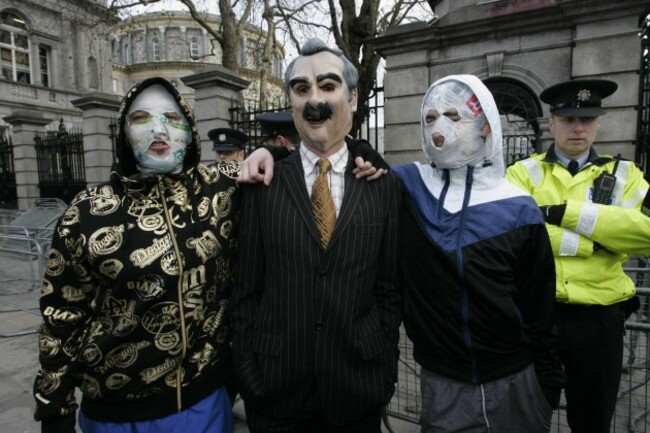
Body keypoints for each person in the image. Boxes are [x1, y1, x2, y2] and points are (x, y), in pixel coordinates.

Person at [32, 76, 386, 433]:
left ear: (189, 129)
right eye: (141, 119)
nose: (159, 130)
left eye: (172, 119)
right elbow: (62, 315)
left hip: (204, 404)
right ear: (123, 131)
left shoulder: (225, 186)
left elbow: (307, 161)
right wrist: (54, 406)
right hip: (114, 412)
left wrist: (357, 150)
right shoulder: (88, 212)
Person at [231, 38, 401, 433]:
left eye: (328, 86)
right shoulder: (261, 184)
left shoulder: (383, 186)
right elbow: (244, 291)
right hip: (274, 394)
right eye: (301, 89)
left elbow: (390, 289)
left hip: (357, 391)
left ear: (354, 98)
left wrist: (383, 374)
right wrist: (249, 376)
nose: (314, 101)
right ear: (290, 101)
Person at [391, 75, 565, 432]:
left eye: (455, 116)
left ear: (486, 126)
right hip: (442, 385)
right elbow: (345, 170)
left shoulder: (519, 208)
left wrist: (546, 386)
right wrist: (270, 153)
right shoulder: (408, 187)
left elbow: (540, 306)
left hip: (516, 383)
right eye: (430, 118)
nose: (440, 129)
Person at [506, 78, 650, 433]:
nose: (579, 127)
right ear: (552, 123)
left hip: (600, 318)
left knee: (593, 420)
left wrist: (561, 213)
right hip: (539, 313)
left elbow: (645, 234)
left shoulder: (626, 174)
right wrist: (597, 241)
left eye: (587, 119)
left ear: (599, 122)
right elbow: (516, 238)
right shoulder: (521, 173)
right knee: (525, 416)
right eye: (569, 119)